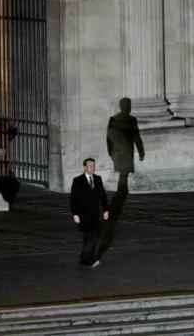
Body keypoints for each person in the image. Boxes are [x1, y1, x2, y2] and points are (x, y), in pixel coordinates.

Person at [96, 98, 145, 256]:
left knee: (123, 173)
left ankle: (120, 192)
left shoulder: (115, 119)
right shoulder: (129, 120)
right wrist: (141, 150)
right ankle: (121, 193)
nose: (128, 108)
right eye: (127, 106)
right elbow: (136, 137)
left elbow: (109, 138)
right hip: (125, 151)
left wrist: (111, 152)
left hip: (120, 152)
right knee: (123, 174)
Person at [70, 158, 109, 267]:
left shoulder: (97, 179)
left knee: (91, 236)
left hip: (95, 214)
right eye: (90, 166)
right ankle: (88, 259)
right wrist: (75, 214)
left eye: (93, 165)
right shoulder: (77, 180)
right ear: (85, 167)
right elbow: (73, 198)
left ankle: (84, 258)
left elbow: (102, 196)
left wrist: (106, 209)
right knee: (89, 236)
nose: (93, 168)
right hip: (83, 214)